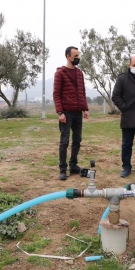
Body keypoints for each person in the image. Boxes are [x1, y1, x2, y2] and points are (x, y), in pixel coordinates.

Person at [53, 46, 90, 181]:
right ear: (68, 57)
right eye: (75, 56)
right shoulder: (60, 73)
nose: (78, 58)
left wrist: (85, 108)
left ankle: (73, 165)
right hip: (66, 113)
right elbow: (56, 94)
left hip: (78, 112)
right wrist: (60, 112)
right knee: (64, 141)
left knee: (77, 139)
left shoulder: (80, 74)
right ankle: (63, 169)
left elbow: (82, 92)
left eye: (78, 56)